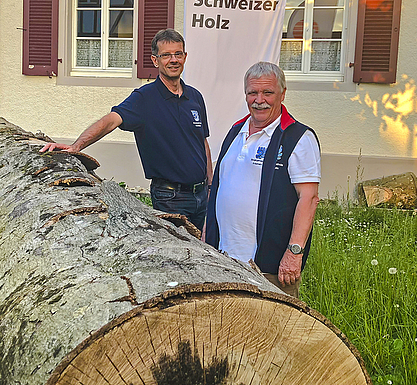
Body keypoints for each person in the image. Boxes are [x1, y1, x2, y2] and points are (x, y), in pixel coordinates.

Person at [40, 29, 212, 230]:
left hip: (201, 195)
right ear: (155, 61)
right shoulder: (144, 98)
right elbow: (111, 120)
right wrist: (77, 146)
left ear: (185, 57)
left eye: (178, 54)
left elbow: (202, 143)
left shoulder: (195, 97)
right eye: (166, 55)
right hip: (170, 197)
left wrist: (210, 186)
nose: (173, 60)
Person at [204, 62, 320, 297]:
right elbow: (220, 187)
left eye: (268, 92)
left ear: (282, 94)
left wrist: (294, 253)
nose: (260, 100)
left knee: (272, 331)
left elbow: (308, 198)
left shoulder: (298, 138)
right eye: (253, 92)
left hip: (269, 267)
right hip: (225, 258)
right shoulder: (237, 130)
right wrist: (207, 231)